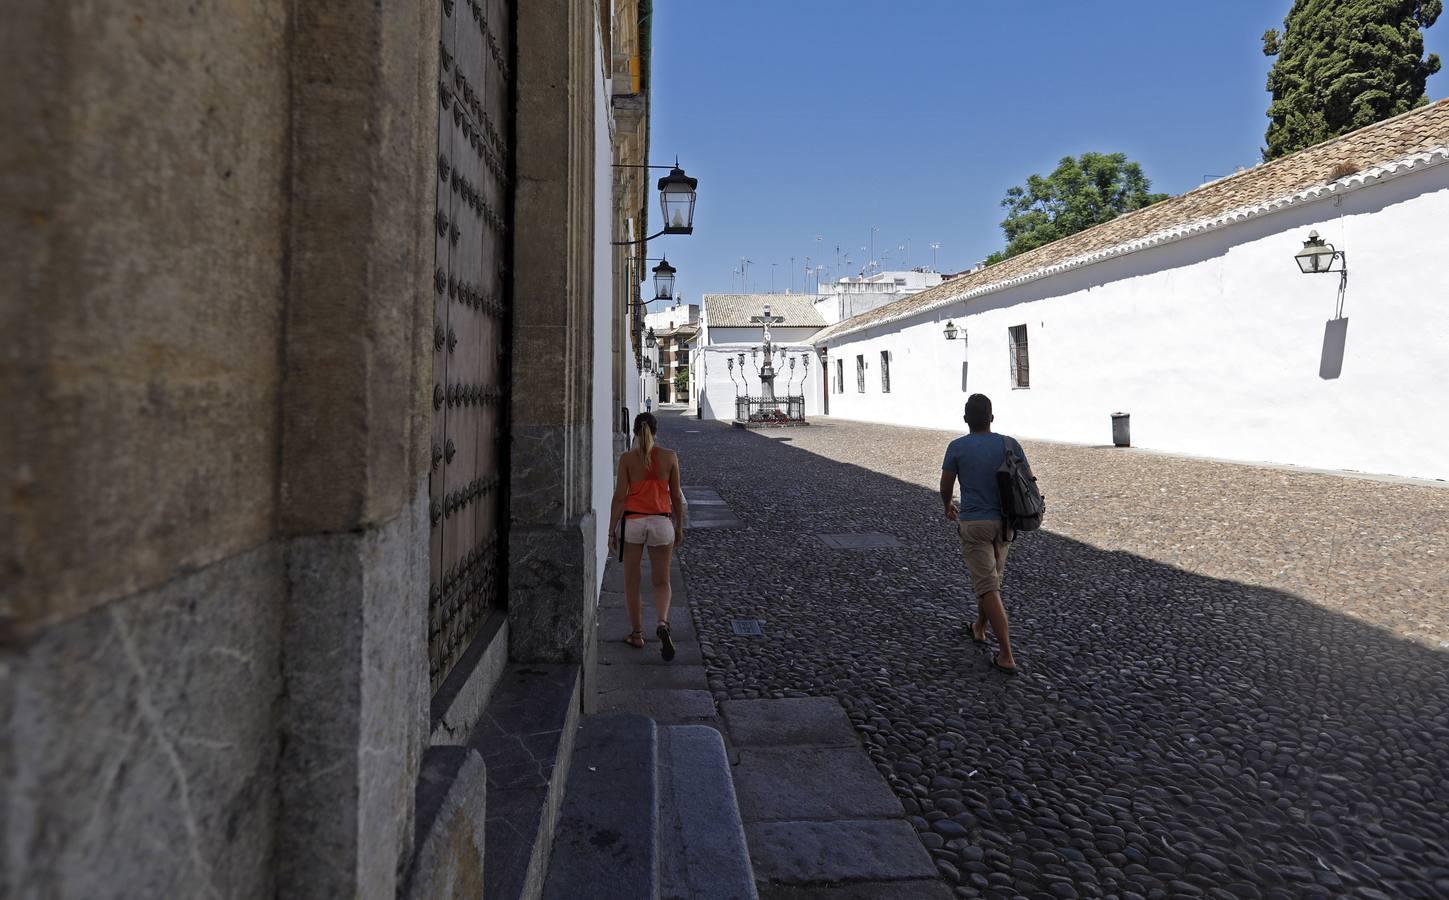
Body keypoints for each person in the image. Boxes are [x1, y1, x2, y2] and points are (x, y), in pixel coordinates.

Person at [940, 393, 1035, 674]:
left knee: (988, 587)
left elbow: (946, 485)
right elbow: (1028, 479)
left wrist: (947, 505)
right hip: (1005, 524)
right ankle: (979, 627)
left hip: (975, 525)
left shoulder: (957, 447)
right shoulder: (1009, 444)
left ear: (966, 419)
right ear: (992, 418)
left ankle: (1006, 655)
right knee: (991, 582)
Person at [608, 412, 686, 660]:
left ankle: (637, 634)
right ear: (656, 431)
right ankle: (662, 623)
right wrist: (679, 526)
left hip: (633, 522)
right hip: (662, 522)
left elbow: (620, 497)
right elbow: (675, 497)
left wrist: (611, 530)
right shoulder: (669, 457)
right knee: (661, 581)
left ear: (634, 432)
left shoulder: (627, 459)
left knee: (632, 581)